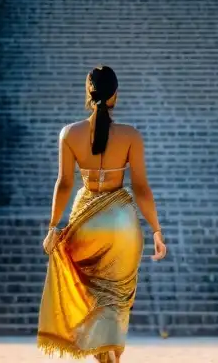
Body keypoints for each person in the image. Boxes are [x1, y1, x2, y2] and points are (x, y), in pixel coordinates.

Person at [36, 65, 166, 362]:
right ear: (114, 96)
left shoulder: (69, 133)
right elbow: (142, 188)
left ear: (88, 92)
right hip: (121, 221)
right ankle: (114, 355)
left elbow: (65, 183)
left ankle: (103, 353)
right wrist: (157, 231)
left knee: (92, 299)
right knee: (117, 300)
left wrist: (53, 227)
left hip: (86, 220)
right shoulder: (131, 135)